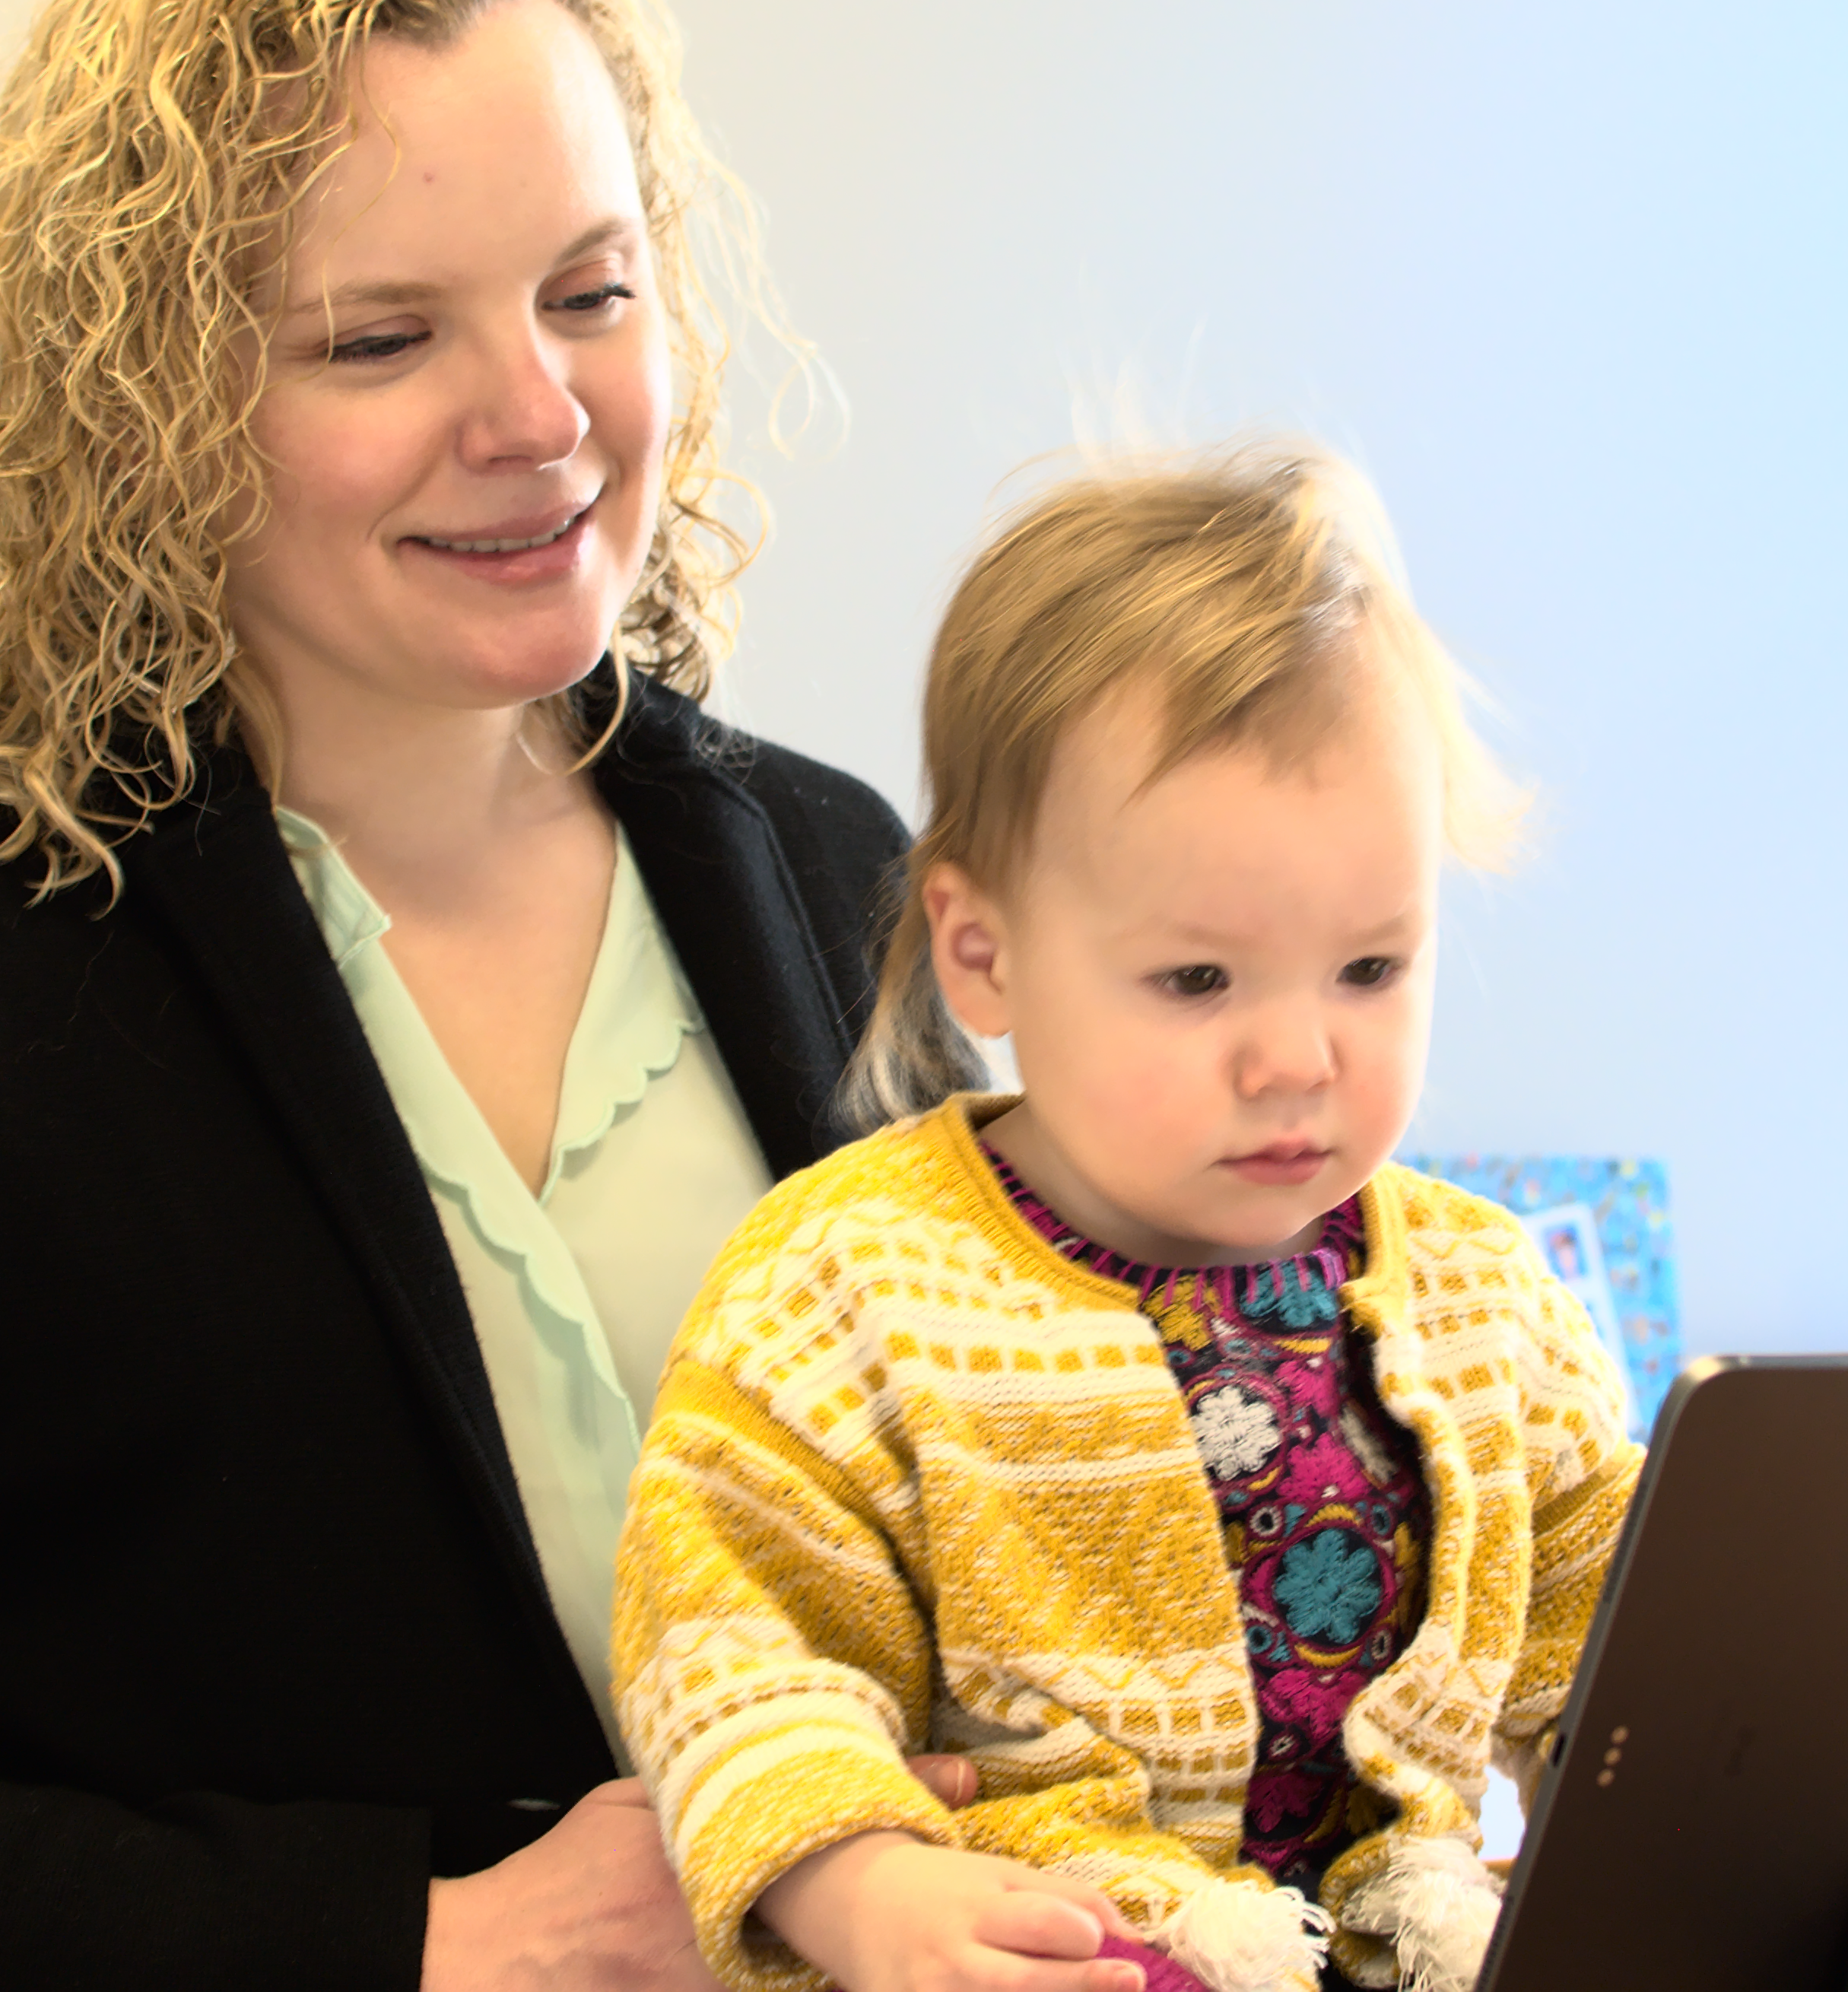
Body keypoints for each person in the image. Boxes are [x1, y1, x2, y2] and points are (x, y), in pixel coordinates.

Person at [0, 0, 959, 1992]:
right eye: (381, 339)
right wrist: (422, 1937)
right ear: (138, 404)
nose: (541, 415)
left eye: (591, 288)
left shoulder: (835, 869)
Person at [611, 446, 1645, 1992]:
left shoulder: (1485, 1299)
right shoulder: (849, 1282)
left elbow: (1622, 1635)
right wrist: (853, 1883)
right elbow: (728, 1640)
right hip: (1058, 1941)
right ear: (981, 952)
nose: (1297, 1055)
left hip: (1399, 1934)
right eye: (1195, 980)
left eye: (1370, 969)